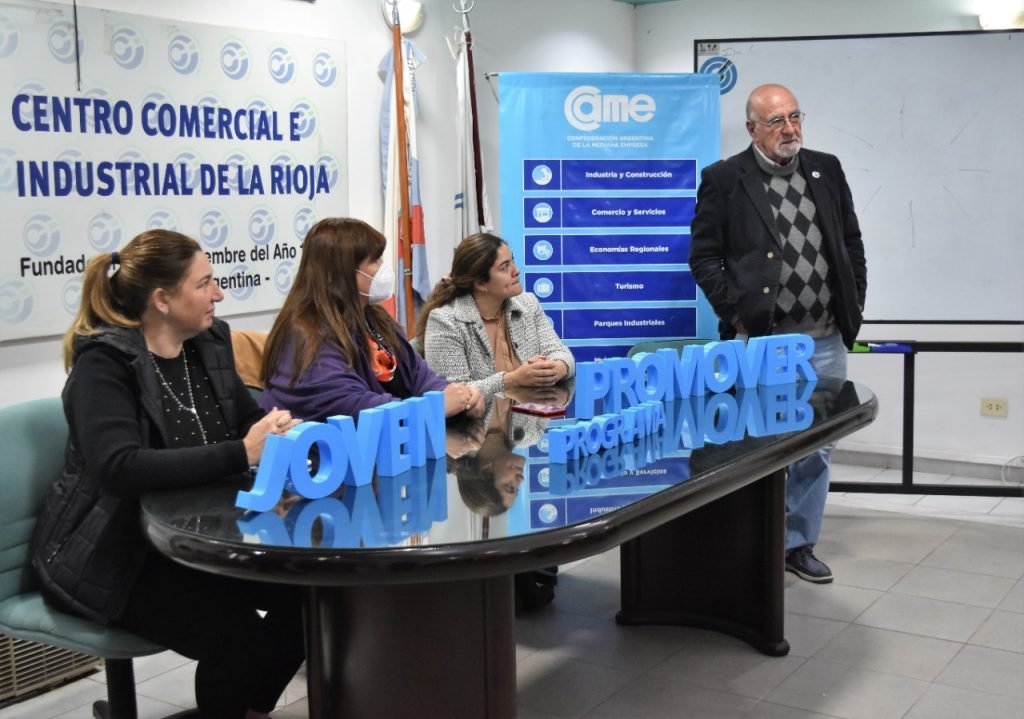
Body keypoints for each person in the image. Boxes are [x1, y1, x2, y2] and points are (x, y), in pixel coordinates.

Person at [30, 230, 306, 719]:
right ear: (162, 299)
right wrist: (242, 452)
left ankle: (250, 711)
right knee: (236, 637)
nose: (219, 294)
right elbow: (119, 467)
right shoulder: (103, 365)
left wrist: (278, 431)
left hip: (198, 540)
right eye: (204, 283)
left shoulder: (210, 344)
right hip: (115, 555)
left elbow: (245, 421)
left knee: (311, 597)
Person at [688, 83, 868, 584]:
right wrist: (737, 316)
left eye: (794, 117)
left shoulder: (826, 168)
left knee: (818, 446)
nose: (789, 129)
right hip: (764, 343)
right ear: (752, 129)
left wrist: (854, 297)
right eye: (776, 121)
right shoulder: (725, 179)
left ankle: (796, 544)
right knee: (759, 444)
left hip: (825, 339)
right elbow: (703, 256)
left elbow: (850, 241)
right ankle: (752, 542)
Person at [260, 217, 484, 422]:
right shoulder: (306, 332)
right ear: (343, 272)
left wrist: (460, 396)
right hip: (326, 451)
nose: (383, 268)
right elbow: (351, 406)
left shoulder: (374, 317)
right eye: (375, 261)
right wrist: (432, 407)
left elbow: (419, 376)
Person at [417, 232, 575, 404]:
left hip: (527, 419)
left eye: (512, 261)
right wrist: (512, 379)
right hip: (474, 421)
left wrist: (556, 368)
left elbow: (561, 353)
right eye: (505, 267)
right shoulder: (445, 320)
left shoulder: (528, 304)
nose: (516, 271)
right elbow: (451, 394)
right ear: (480, 283)